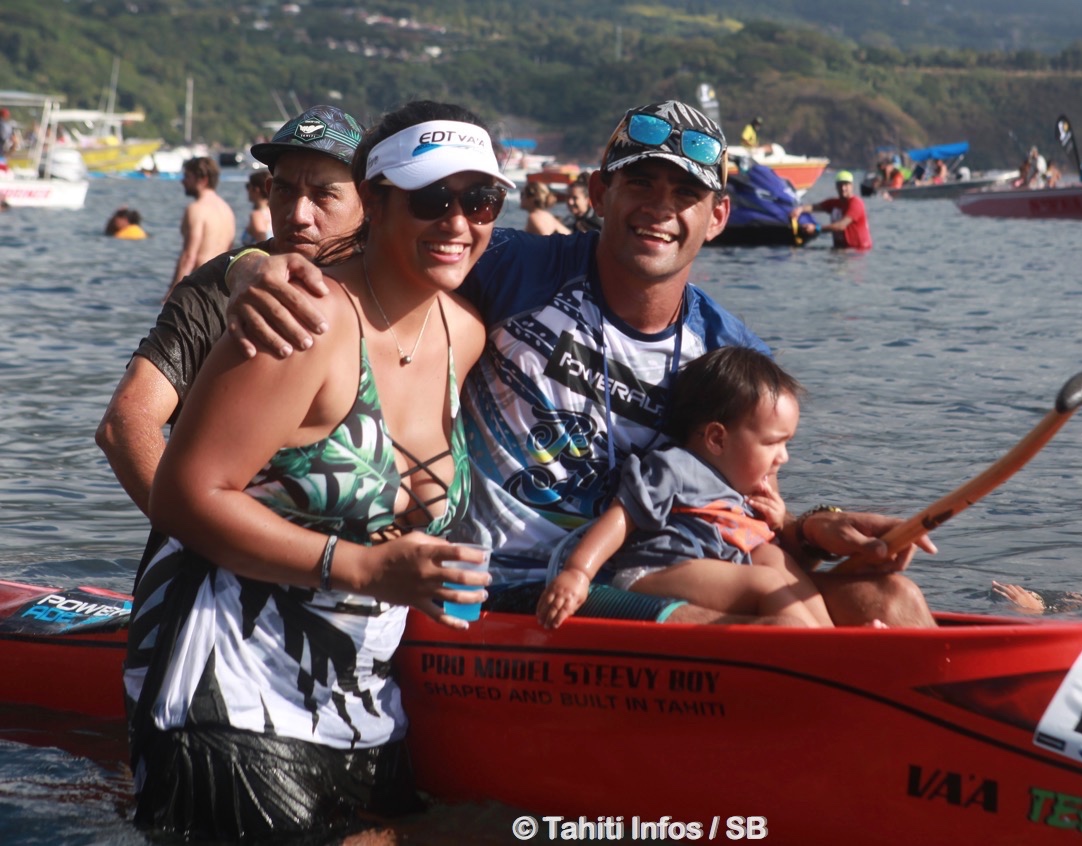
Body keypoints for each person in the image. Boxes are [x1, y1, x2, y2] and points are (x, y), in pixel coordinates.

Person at [225, 99, 936, 629]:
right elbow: (362, 250)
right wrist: (250, 269)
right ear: (599, 195)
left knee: (891, 599)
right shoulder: (510, 266)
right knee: (783, 620)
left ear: (717, 217)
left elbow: (737, 503)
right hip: (505, 585)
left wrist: (819, 527)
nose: (659, 209)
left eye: (684, 194)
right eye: (640, 186)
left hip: (645, 570)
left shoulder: (732, 354)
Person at [123, 98, 506, 842]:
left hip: (363, 713)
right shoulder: (303, 319)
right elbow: (184, 495)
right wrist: (361, 569)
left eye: (480, 198)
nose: (459, 221)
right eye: (432, 198)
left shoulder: (467, 334)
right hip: (230, 702)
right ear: (379, 203)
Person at [97, 104, 366, 523]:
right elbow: (125, 424)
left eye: (324, 195)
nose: (298, 215)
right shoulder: (213, 290)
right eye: (285, 190)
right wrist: (190, 533)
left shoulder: (394, 291)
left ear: (368, 201)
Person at [538, 346, 831, 629]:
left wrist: (778, 521)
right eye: (772, 443)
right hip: (654, 574)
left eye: (786, 442)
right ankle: (817, 648)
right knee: (765, 581)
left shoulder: (741, 488)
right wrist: (578, 572)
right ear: (717, 439)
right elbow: (620, 518)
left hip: (712, 573)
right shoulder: (675, 468)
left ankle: (834, 636)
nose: (784, 457)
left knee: (774, 558)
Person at [165, 155, 236, 302]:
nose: (182, 181)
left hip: (199, 287)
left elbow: (189, 256)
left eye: (187, 176)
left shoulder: (196, 209)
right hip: (220, 289)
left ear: (202, 179)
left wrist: (172, 294)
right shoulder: (227, 210)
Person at [793, 170, 872, 250]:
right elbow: (814, 207)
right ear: (836, 187)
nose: (843, 188)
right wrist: (800, 209)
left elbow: (841, 226)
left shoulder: (856, 203)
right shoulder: (834, 203)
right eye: (840, 185)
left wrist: (816, 228)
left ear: (852, 186)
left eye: (846, 185)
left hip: (858, 252)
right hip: (840, 249)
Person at [242, 168, 272, 244]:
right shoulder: (274, 213)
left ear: (256, 189)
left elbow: (263, 244)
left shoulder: (256, 215)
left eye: (248, 186)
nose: (247, 190)